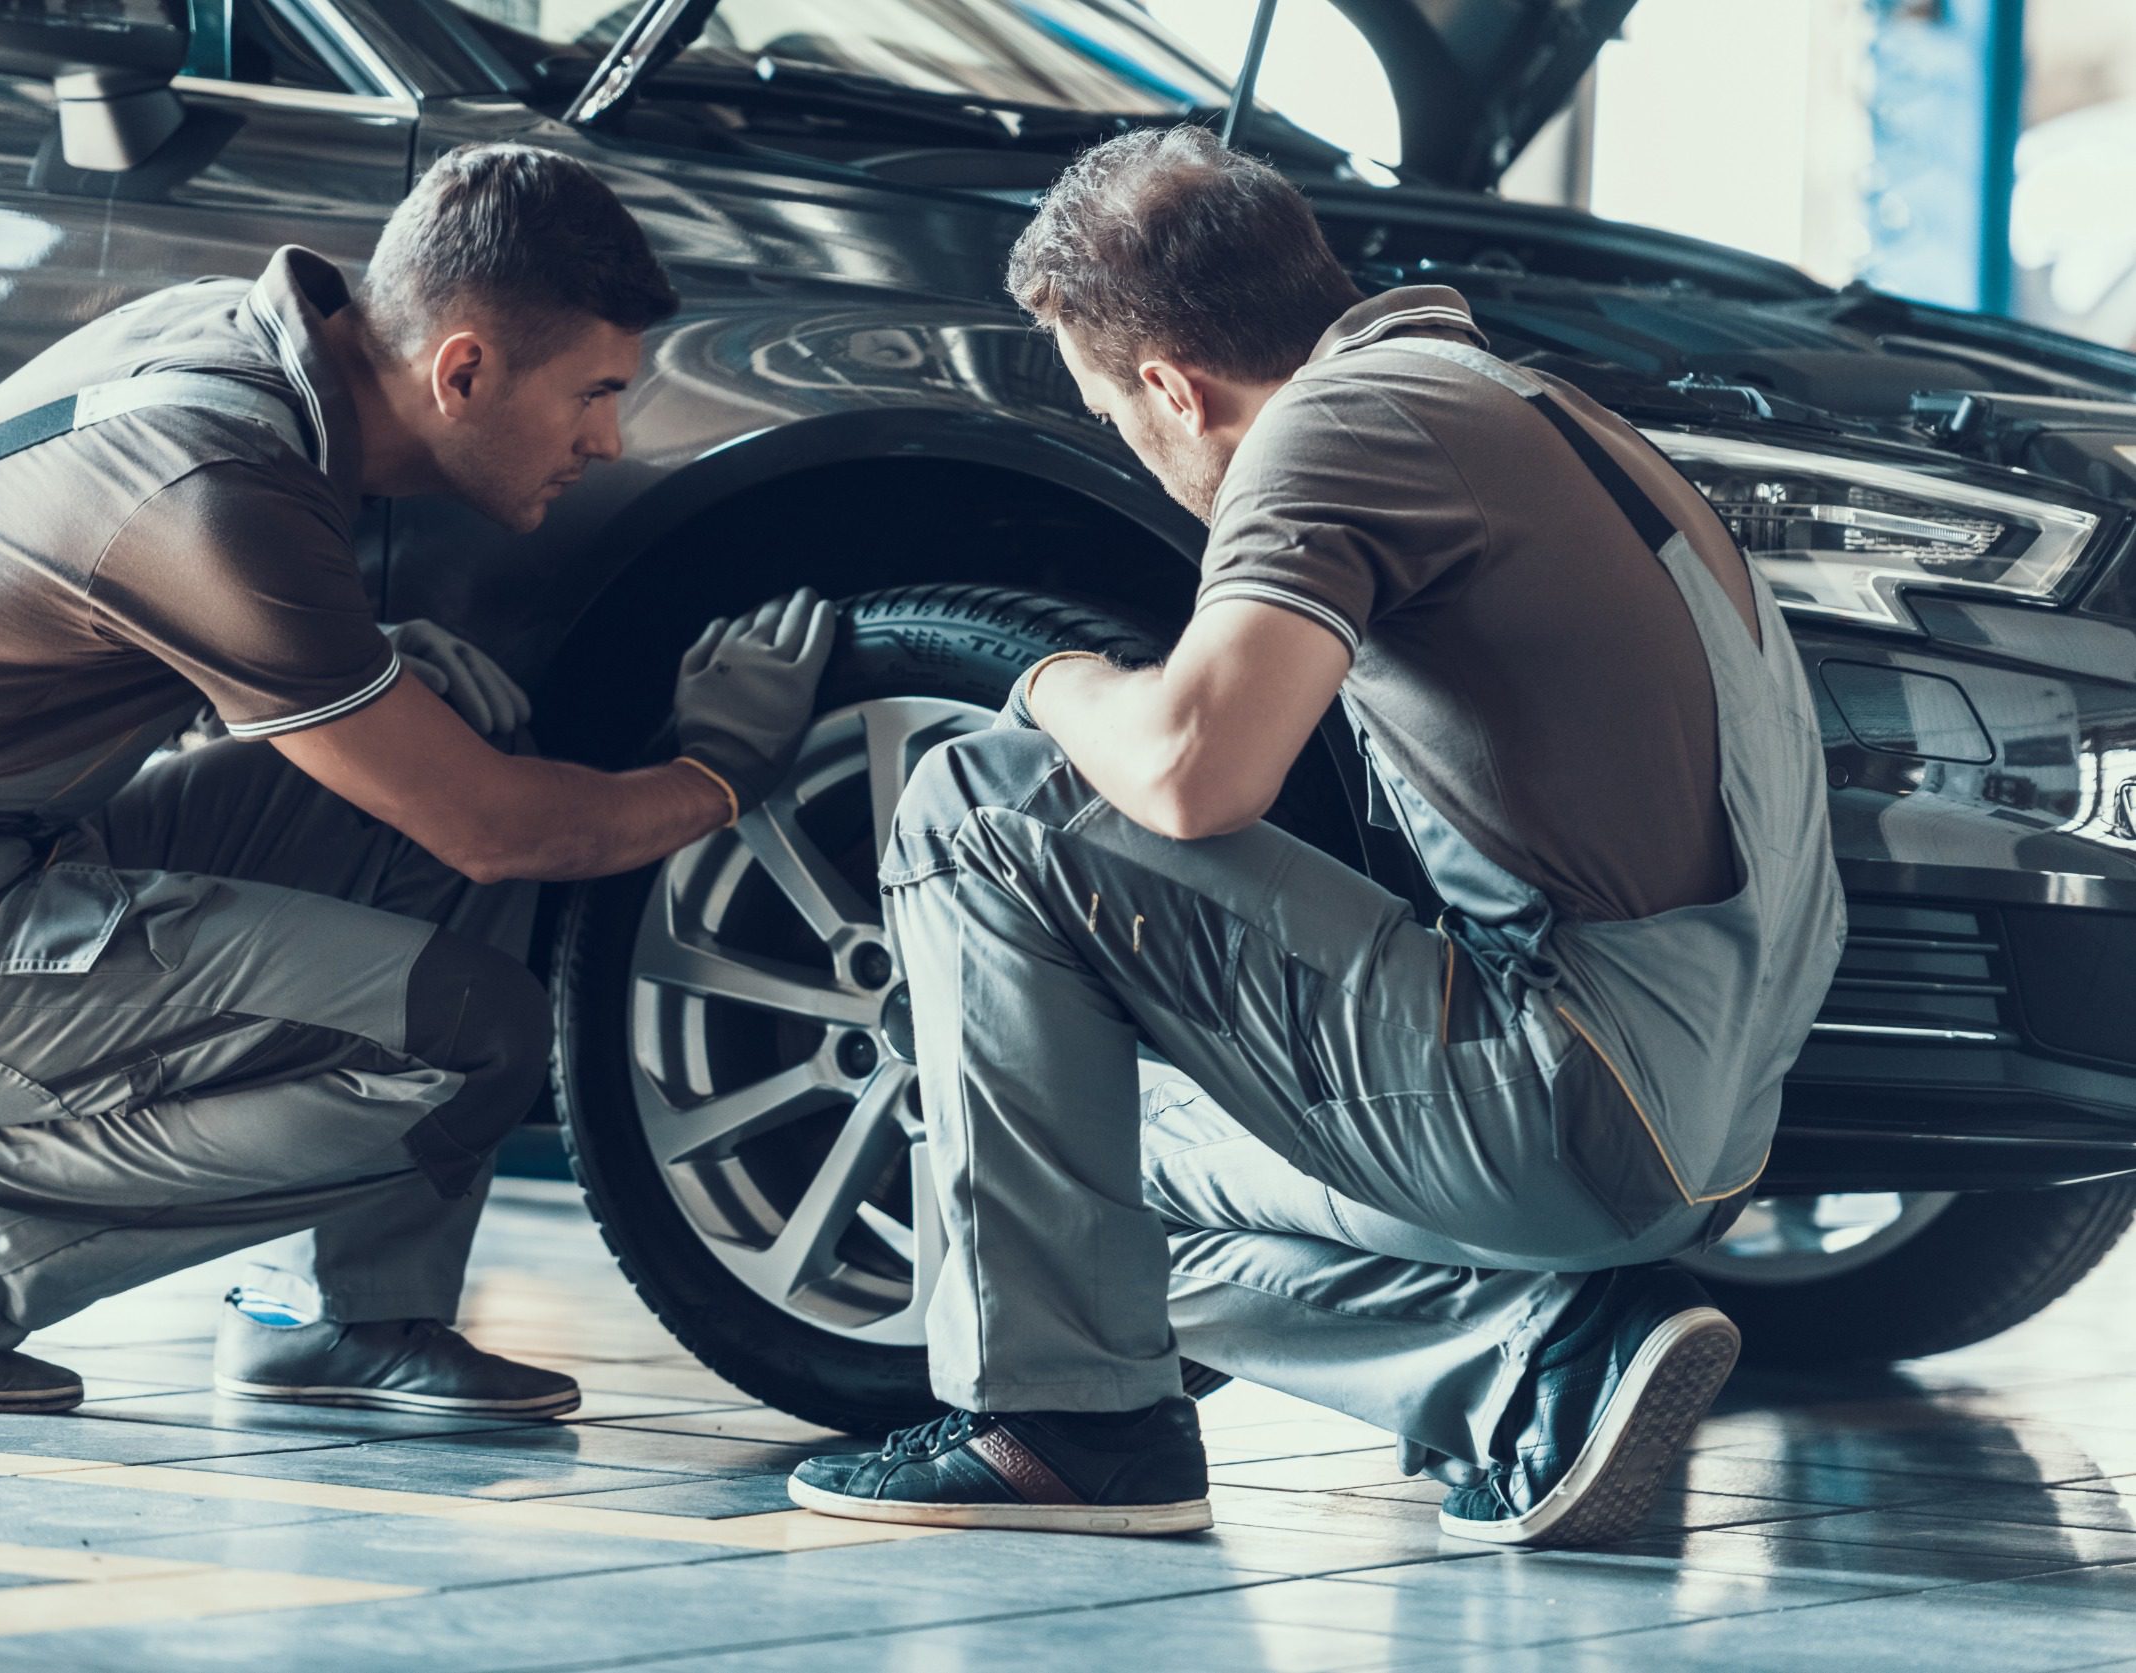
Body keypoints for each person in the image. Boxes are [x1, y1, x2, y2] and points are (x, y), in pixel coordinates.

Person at [788, 126, 1845, 1546]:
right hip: (1712, 1126)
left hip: (1573, 1098)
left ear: (1168, 383)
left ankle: (1062, 1431)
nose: (1133, 443)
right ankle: (1535, 1359)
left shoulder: (1334, 424)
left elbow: (1188, 775)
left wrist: (1040, 675)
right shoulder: (1542, 412)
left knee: (971, 803)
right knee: (1065, 1188)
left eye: (1114, 417)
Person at [0, 142, 836, 1420]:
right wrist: (719, 768)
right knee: (476, 1029)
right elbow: (490, 831)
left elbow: (52, 598)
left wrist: (355, 663)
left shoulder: (225, 343)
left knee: (452, 764)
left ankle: (331, 1316)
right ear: (461, 369)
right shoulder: (214, 486)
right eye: (591, 393)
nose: (608, 436)